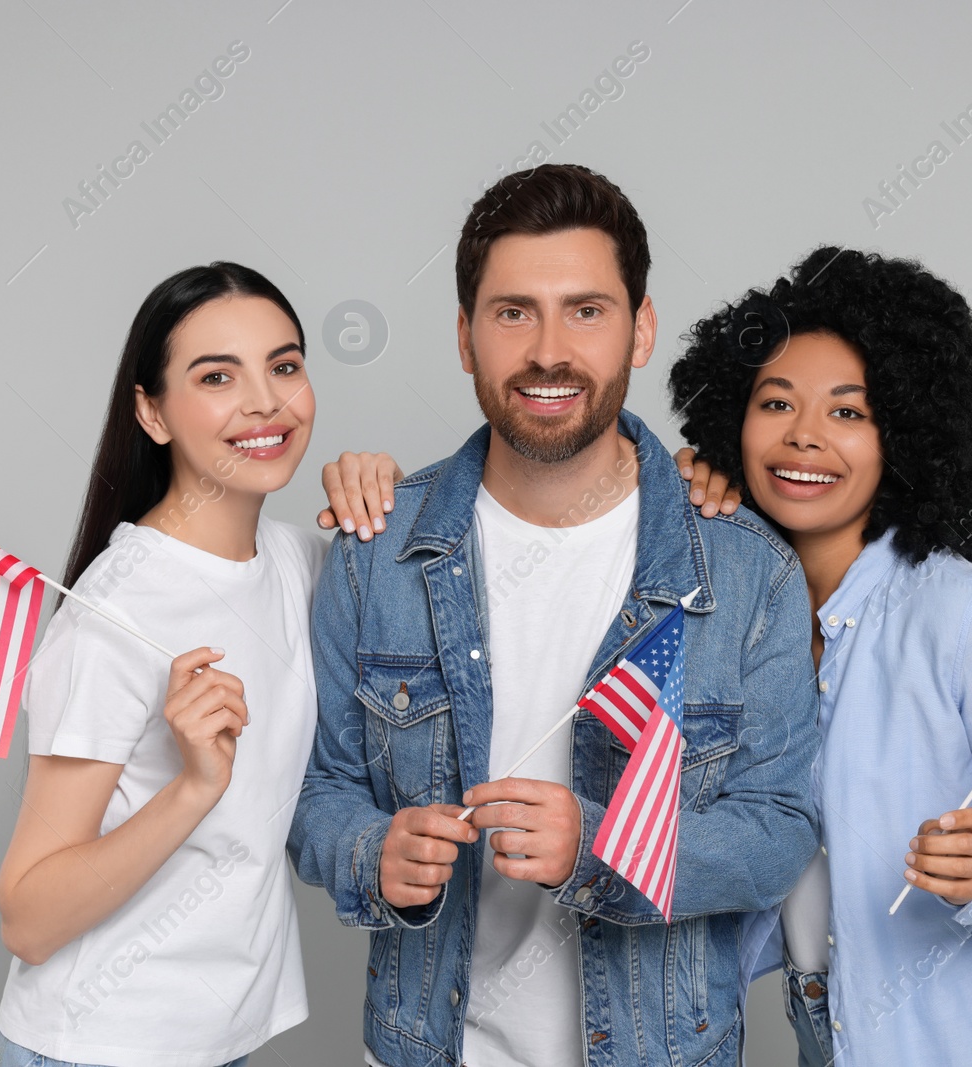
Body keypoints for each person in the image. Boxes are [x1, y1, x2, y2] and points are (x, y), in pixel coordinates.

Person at [321, 246, 972, 1066]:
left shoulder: (965, 618)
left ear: (907, 435)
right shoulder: (735, 595)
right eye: (776, 402)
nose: (805, 436)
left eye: (848, 412)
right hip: (831, 1035)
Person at [288, 163, 822, 1067]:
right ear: (465, 337)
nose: (547, 351)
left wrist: (609, 846)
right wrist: (371, 849)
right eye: (512, 312)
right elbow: (312, 795)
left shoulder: (746, 569)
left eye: (586, 309)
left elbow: (781, 827)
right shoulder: (375, 553)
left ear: (640, 327)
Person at [0, 262, 339, 1067]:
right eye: (217, 376)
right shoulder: (113, 617)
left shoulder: (299, 562)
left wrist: (382, 487)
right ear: (151, 411)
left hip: (218, 1039)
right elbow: (28, 917)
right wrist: (193, 787)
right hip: (101, 1043)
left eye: (284, 365)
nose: (264, 400)